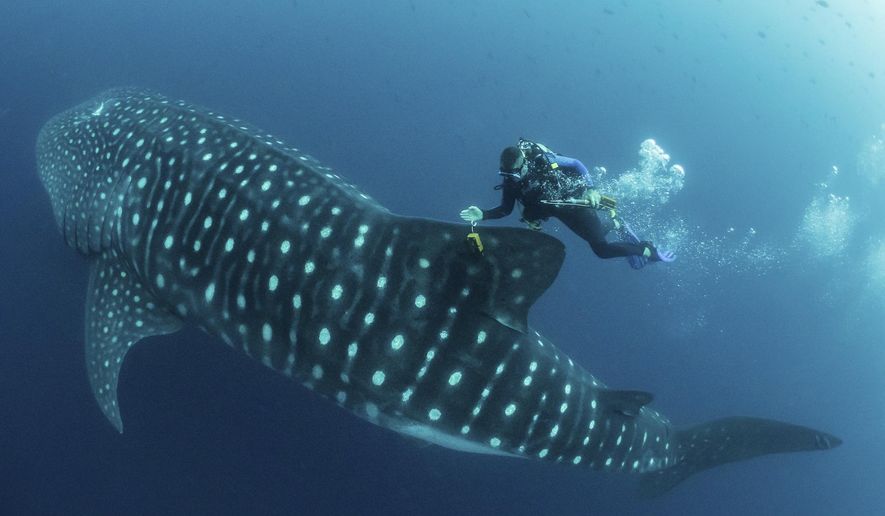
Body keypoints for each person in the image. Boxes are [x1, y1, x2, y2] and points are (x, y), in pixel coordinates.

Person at [460, 140, 674, 268]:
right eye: (506, 174)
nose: (511, 178)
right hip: (550, 208)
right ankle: (615, 224)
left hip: (572, 202)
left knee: (601, 249)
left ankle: (646, 250)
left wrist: (591, 189)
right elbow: (506, 209)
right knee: (590, 234)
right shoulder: (510, 181)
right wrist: (483, 215)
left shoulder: (541, 160)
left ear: (524, 162)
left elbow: (576, 164)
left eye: (514, 173)